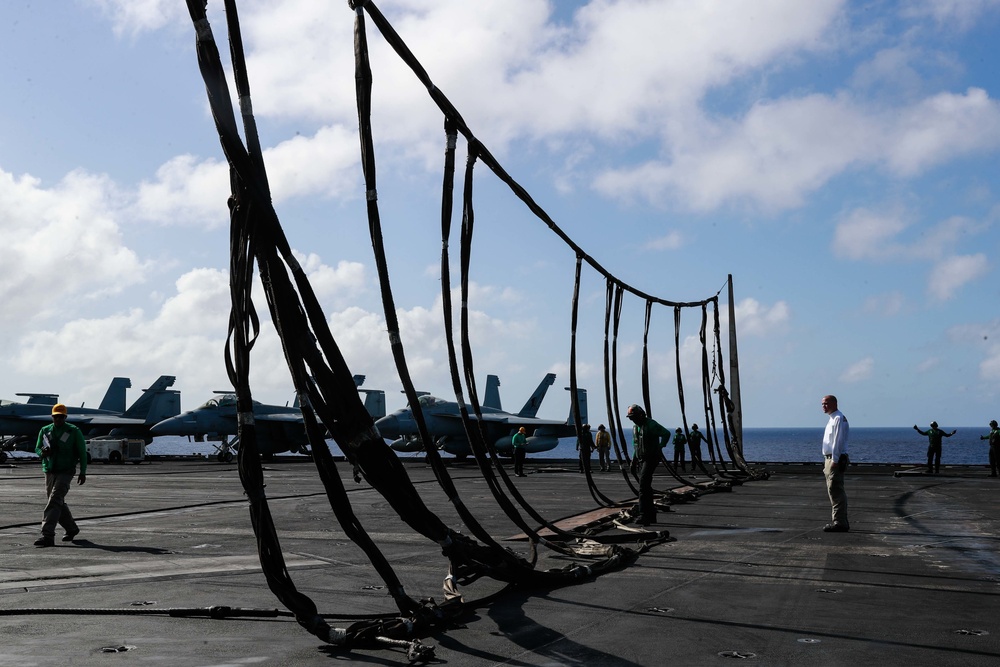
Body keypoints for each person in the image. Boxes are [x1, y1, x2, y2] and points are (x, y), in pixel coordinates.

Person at [34, 403, 87, 547]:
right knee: (57, 502)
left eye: (60, 417)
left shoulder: (73, 431)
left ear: (65, 417)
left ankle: (47, 535)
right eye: (55, 417)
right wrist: (42, 453)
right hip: (49, 470)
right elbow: (37, 448)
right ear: (52, 417)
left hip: (66, 471)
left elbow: (82, 452)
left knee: (55, 499)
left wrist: (83, 471)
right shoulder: (45, 431)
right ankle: (71, 529)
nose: (58, 419)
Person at [626, 404, 671, 526]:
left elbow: (666, 433)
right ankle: (651, 515)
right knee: (646, 486)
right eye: (631, 418)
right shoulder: (636, 428)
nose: (633, 420)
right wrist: (634, 460)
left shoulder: (651, 425)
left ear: (641, 415)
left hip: (651, 457)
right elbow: (637, 446)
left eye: (634, 417)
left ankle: (644, 514)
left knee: (643, 484)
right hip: (642, 458)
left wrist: (661, 446)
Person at [820, 395, 850, 533]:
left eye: (826, 403)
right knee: (833, 490)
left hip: (834, 459)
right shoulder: (832, 418)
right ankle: (838, 521)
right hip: (830, 458)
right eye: (822, 404)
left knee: (836, 490)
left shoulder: (838, 418)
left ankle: (840, 522)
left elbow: (838, 441)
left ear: (834, 403)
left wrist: (835, 460)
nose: (823, 406)